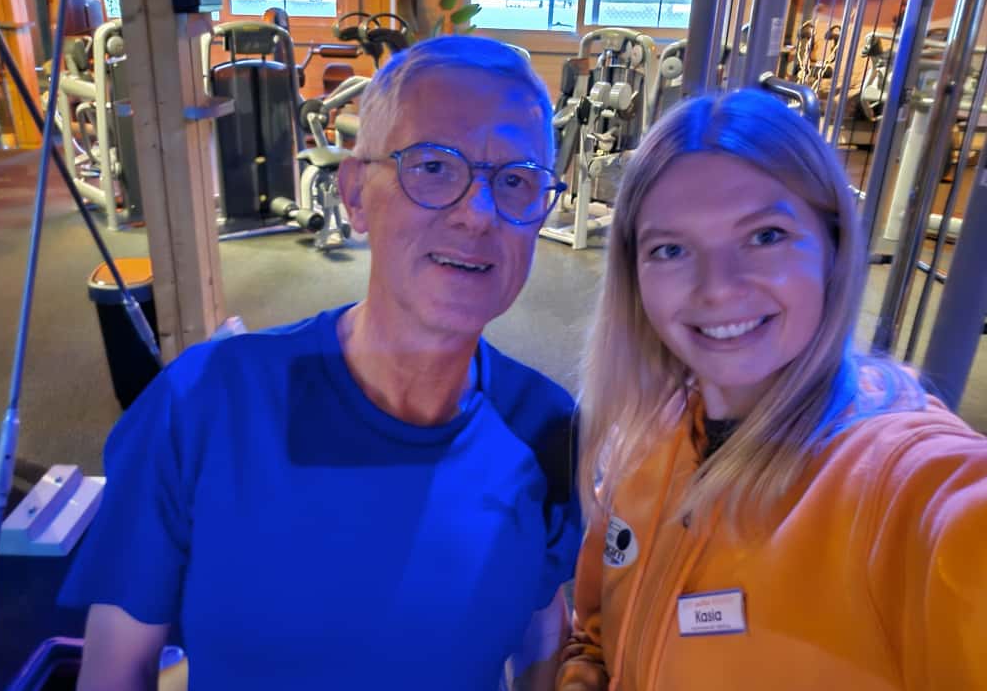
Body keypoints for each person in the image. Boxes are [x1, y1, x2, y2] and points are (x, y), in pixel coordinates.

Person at [60, 36, 581, 690]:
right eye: (433, 166)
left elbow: (541, 629)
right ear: (356, 194)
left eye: (515, 180)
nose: (478, 213)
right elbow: (115, 669)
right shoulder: (204, 407)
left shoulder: (548, 427)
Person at [556, 89, 987, 690]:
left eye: (765, 236)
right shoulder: (646, 437)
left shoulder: (904, 480)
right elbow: (598, 634)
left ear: (834, 248)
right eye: (671, 249)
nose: (718, 288)